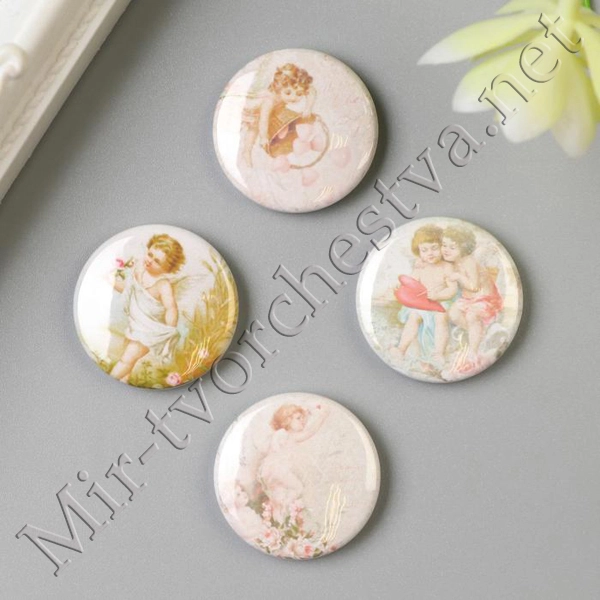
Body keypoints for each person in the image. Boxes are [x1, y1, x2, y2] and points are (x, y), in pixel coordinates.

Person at [110, 234, 185, 383]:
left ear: (167, 268)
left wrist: (169, 330)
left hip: (150, 331)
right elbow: (128, 289)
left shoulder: (163, 285)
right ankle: (122, 385)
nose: (150, 261)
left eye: (157, 261)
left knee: (126, 360)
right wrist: (110, 281)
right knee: (127, 363)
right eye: (150, 254)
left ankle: (108, 384)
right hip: (135, 325)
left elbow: (171, 308)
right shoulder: (139, 268)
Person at [393, 225, 457, 367]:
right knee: (414, 316)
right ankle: (401, 349)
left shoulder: (447, 267)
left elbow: (452, 290)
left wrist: (438, 295)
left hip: (441, 301)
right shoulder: (420, 266)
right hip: (422, 302)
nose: (430, 253)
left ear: (442, 247)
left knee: (441, 317)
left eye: (434, 248)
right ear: (419, 251)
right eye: (424, 250)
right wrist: (401, 286)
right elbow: (412, 283)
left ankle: (438, 352)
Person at [442, 225, 503, 371]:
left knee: (471, 315)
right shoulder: (453, 262)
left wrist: (458, 276)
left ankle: (473, 351)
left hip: (485, 299)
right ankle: (479, 335)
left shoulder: (468, 261)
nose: (446, 250)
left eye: (452, 247)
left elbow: (474, 286)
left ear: (463, 249)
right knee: (453, 314)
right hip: (468, 300)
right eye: (444, 245)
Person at [258, 403, 329, 524]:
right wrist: (322, 415)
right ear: (287, 420)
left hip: (275, 470)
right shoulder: (282, 433)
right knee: (298, 487)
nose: (302, 421)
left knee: (281, 493)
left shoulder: (291, 435)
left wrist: (312, 415)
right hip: (277, 469)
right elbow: (307, 432)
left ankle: (278, 518)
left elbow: (308, 431)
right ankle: (283, 506)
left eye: (302, 418)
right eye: (298, 418)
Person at [240, 63, 317, 169]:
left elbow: (311, 91)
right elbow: (263, 118)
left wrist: (308, 108)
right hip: (256, 111)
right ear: (279, 89)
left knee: (281, 118)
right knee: (254, 129)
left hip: (275, 108)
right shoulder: (269, 100)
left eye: (299, 94)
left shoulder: (293, 89)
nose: (293, 98)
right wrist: (263, 137)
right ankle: (247, 151)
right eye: (288, 93)